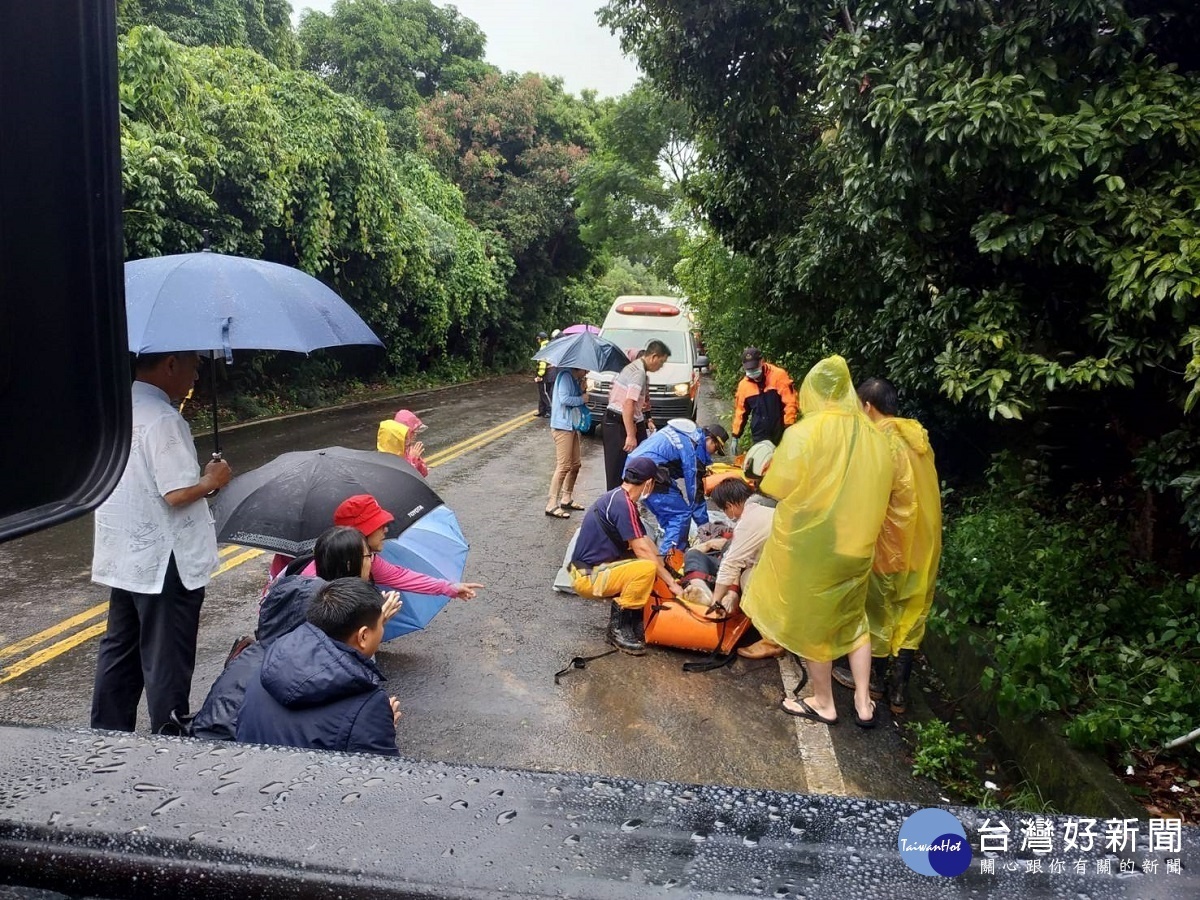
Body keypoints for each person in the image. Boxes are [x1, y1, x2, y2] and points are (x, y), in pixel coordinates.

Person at [740, 356, 915, 729]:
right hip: (857, 543)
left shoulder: (806, 432)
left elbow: (777, 486)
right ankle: (864, 702)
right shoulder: (874, 435)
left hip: (815, 544)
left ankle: (823, 703)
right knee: (854, 619)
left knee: (816, 625)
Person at [90, 350, 233, 733]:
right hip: (165, 561)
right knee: (166, 656)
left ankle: (106, 735)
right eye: (194, 366)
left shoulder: (114, 410)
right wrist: (211, 480)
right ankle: (168, 742)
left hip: (126, 554)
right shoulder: (163, 419)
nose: (196, 377)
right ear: (171, 364)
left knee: (120, 648)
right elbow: (177, 492)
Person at [192, 525, 369, 741]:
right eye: (370, 556)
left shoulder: (294, 604)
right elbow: (342, 710)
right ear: (351, 563)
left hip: (211, 733)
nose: (373, 561)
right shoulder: (318, 640)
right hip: (233, 746)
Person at [833, 377, 941, 714]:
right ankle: (899, 693)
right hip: (923, 548)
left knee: (877, 611)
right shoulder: (918, 439)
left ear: (867, 406)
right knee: (910, 614)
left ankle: (876, 683)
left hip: (888, 546)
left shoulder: (878, 442)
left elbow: (867, 498)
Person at [236, 575, 404, 756]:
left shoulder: (273, 661)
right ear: (363, 636)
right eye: (381, 625)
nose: (382, 630)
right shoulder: (367, 708)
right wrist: (381, 728)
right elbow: (381, 775)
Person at [568, 456, 683, 655]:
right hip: (588, 577)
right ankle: (618, 628)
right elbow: (643, 551)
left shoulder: (619, 498)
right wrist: (672, 584)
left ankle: (634, 617)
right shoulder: (623, 504)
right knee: (646, 567)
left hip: (591, 569)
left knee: (652, 563)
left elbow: (645, 542)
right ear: (648, 483)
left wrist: (669, 571)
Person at [299, 494, 482, 601]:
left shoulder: (365, 558)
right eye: (379, 525)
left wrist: (449, 588)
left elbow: (399, 575)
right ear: (362, 533)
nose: (386, 529)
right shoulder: (315, 584)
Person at [627, 419, 728, 555]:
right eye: (715, 448)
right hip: (651, 473)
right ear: (709, 439)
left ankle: (673, 550)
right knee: (680, 516)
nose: (714, 453)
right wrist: (705, 528)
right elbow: (695, 494)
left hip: (635, 468)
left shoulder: (686, 435)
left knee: (670, 516)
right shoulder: (693, 449)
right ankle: (669, 560)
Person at [601, 340, 671, 490]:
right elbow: (628, 404)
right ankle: (616, 508)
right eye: (661, 362)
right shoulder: (637, 372)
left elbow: (641, 402)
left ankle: (630, 503)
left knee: (639, 464)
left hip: (628, 421)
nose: (661, 367)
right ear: (653, 357)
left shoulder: (640, 371)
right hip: (618, 424)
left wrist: (647, 420)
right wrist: (630, 435)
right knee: (618, 473)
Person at [705, 476, 776, 621]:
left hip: (784, 577)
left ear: (730, 506)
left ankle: (767, 629)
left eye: (724, 510)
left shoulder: (748, 521)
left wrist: (715, 601)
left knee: (746, 577)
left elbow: (731, 564)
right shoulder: (768, 504)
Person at [545, 367, 589, 519]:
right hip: (562, 426)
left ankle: (566, 498)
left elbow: (575, 399)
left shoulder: (575, 379)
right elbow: (564, 399)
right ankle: (551, 504)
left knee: (576, 464)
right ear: (579, 367)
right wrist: (581, 399)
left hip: (571, 426)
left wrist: (582, 388)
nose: (588, 372)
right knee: (563, 466)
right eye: (586, 370)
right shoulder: (565, 377)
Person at [731, 347, 798, 446]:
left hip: (780, 431)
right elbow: (740, 412)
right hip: (759, 434)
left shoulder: (778, 376)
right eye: (749, 369)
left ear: (761, 362)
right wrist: (735, 435)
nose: (752, 371)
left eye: (754, 367)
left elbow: (790, 403)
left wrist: (789, 426)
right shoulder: (744, 386)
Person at [376, 409, 428, 477]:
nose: (415, 435)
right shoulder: (387, 459)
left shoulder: (408, 450)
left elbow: (423, 474)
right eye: (412, 432)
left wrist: (417, 460)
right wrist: (412, 460)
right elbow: (403, 478)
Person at [535, 331, 551, 417]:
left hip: (544, 374)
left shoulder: (544, 348)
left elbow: (543, 362)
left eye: (538, 338)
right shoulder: (546, 346)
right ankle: (542, 410)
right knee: (542, 392)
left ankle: (549, 410)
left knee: (544, 393)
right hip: (545, 373)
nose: (537, 340)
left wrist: (540, 374)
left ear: (541, 339)